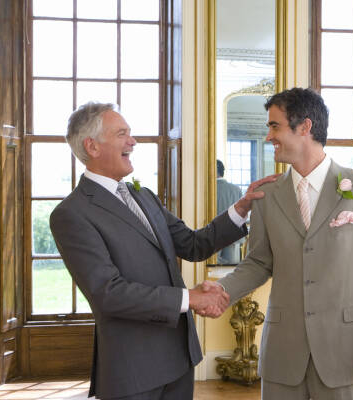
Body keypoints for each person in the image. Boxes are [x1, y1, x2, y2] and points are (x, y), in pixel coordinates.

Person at [49, 102, 277, 400]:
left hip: (179, 357)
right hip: (133, 369)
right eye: (122, 134)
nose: (133, 141)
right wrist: (190, 298)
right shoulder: (72, 214)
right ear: (92, 146)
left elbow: (195, 245)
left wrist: (240, 208)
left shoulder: (143, 196)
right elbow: (108, 293)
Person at [205, 88, 353, 399]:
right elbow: (259, 262)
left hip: (347, 350)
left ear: (305, 127)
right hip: (283, 354)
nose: (269, 136)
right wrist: (222, 291)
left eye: (275, 126)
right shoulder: (267, 195)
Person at [216, 159, 243, 264]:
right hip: (232, 235)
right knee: (229, 268)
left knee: (212, 267)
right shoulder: (236, 190)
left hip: (213, 235)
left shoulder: (208, 189)